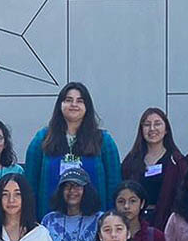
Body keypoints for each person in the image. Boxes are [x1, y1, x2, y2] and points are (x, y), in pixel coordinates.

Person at [25, 82, 123, 214]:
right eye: (68, 100)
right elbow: (30, 184)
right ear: (60, 105)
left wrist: (111, 218)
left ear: (87, 106)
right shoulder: (41, 139)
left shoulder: (104, 140)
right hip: (50, 218)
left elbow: (114, 185)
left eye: (80, 101)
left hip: (94, 219)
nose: (74, 104)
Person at [120, 107, 186, 228]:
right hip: (135, 223)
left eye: (157, 124)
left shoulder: (176, 161)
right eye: (147, 125)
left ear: (166, 130)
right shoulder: (131, 161)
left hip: (166, 222)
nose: (152, 129)